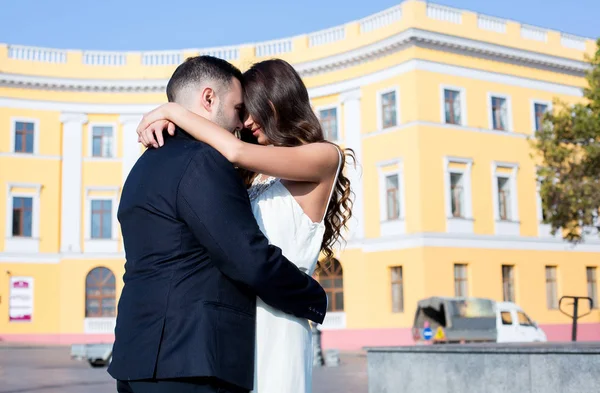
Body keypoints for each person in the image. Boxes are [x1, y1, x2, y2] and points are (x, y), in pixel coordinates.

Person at [108, 56, 328, 393]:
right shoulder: (202, 160)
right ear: (209, 98)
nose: (242, 122)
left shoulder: (143, 167)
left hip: (138, 355)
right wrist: (314, 297)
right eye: (239, 108)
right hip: (191, 359)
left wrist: (172, 112)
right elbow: (246, 258)